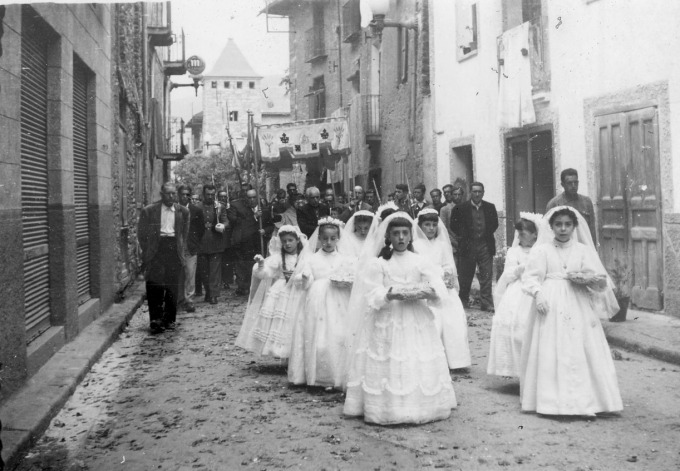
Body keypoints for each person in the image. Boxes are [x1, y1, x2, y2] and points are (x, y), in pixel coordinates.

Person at [343, 213, 457, 424]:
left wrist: (431, 291)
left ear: (411, 237)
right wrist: (388, 294)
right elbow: (372, 292)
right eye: (396, 234)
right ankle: (388, 408)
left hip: (415, 317)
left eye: (405, 233)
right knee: (391, 357)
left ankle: (420, 406)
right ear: (388, 237)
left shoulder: (420, 261)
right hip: (389, 316)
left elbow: (436, 284)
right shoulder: (380, 263)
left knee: (414, 357)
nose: (401, 238)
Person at [519, 207, 622, 416]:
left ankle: (586, 401)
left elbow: (599, 280)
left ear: (574, 227)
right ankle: (551, 401)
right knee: (551, 346)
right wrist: (538, 294)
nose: (563, 229)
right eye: (558, 224)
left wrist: (591, 279)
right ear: (552, 227)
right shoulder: (542, 251)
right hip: (550, 301)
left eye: (567, 224)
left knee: (580, 345)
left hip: (577, 301)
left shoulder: (583, 251)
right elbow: (530, 277)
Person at [288, 217, 354, 389]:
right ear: (319, 239)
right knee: (318, 337)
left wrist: (347, 281)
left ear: (338, 239)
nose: (328, 242)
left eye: (333, 239)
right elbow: (302, 278)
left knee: (338, 334)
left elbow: (351, 276)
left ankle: (336, 376)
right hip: (316, 299)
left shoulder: (344, 259)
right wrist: (305, 277)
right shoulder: (312, 259)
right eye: (325, 239)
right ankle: (317, 376)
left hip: (339, 299)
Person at [235, 225, 306, 359]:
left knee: (295, 320)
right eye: (284, 241)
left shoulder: (303, 257)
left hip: (297, 290)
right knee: (279, 322)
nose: (287, 244)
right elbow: (266, 274)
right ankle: (279, 351)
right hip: (281, 291)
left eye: (290, 240)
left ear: (297, 240)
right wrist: (261, 265)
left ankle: (294, 355)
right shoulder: (279, 258)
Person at [414, 209, 471, 370]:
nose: (431, 228)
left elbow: (448, 264)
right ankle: (431, 360)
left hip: (443, 288)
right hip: (426, 286)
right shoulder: (415, 245)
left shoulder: (441, 245)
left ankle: (456, 360)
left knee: (453, 320)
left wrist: (447, 275)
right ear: (420, 226)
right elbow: (417, 267)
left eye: (434, 225)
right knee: (433, 321)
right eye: (427, 225)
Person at [487, 214, 540, 377]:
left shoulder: (541, 250)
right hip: (518, 290)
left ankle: (534, 370)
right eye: (518, 234)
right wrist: (520, 268)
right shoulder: (514, 251)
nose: (519, 237)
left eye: (523, 234)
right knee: (514, 326)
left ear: (535, 235)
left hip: (536, 289)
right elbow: (509, 273)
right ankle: (516, 369)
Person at [138, 182, 190, 333]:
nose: (172, 196)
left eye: (174, 193)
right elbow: (142, 234)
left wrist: (180, 250)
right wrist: (148, 251)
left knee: (172, 286)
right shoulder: (149, 211)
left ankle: (169, 319)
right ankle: (155, 319)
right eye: (168, 193)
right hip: (157, 249)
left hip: (173, 249)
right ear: (162, 195)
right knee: (155, 285)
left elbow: (184, 234)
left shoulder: (183, 211)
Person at [450, 182, 499, 312]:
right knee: (465, 275)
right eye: (474, 191)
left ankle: (487, 303)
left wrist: (484, 234)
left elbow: (494, 224)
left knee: (486, 275)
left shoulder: (490, 207)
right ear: (470, 193)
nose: (477, 194)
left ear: (483, 193)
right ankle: (463, 301)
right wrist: (464, 237)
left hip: (485, 245)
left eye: (479, 192)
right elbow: (453, 226)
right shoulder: (460, 208)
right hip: (467, 246)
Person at [228, 189, 275, 296]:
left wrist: (265, 231)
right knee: (243, 266)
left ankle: (257, 287)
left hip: (257, 243)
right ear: (246, 199)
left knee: (257, 265)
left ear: (258, 198)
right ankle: (243, 287)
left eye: (254, 197)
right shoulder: (241, 209)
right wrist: (254, 217)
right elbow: (237, 222)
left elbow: (270, 225)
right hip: (243, 242)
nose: (252, 200)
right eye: (249, 198)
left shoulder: (264, 210)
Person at [196, 184, 228, 304]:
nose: (210, 197)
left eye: (212, 194)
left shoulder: (219, 207)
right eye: (207, 194)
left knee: (215, 270)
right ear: (203, 194)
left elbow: (226, 220)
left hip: (216, 241)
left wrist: (223, 225)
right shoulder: (197, 207)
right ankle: (208, 292)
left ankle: (214, 295)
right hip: (201, 242)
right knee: (204, 271)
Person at [546, 168, 597, 245]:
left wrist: (593, 250)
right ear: (562, 185)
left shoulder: (587, 202)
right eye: (569, 183)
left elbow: (592, 229)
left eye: (575, 182)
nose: (573, 186)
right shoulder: (554, 204)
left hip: (583, 246)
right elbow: (548, 231)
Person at [177, 184, 205, 313]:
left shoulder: (196, 210)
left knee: (190, 273)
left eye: (187, 195)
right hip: (176, 246)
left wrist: (194, 243)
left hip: (190, 246)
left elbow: (201, 229)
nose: (185, 197)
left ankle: (189, 300)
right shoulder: (173, 209)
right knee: (177, 274)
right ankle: (178, 300)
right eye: (182, 194)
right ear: (179, 195)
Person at [218, 189, 236, 291]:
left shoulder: (230, 207)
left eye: (225, 196)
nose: (223, 198)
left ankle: (227, 281)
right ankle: (220, 281)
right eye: (221, 196)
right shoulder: (218, 207)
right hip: (219, 237)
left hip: (229, 237)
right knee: (220, 260)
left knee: (228, 260)